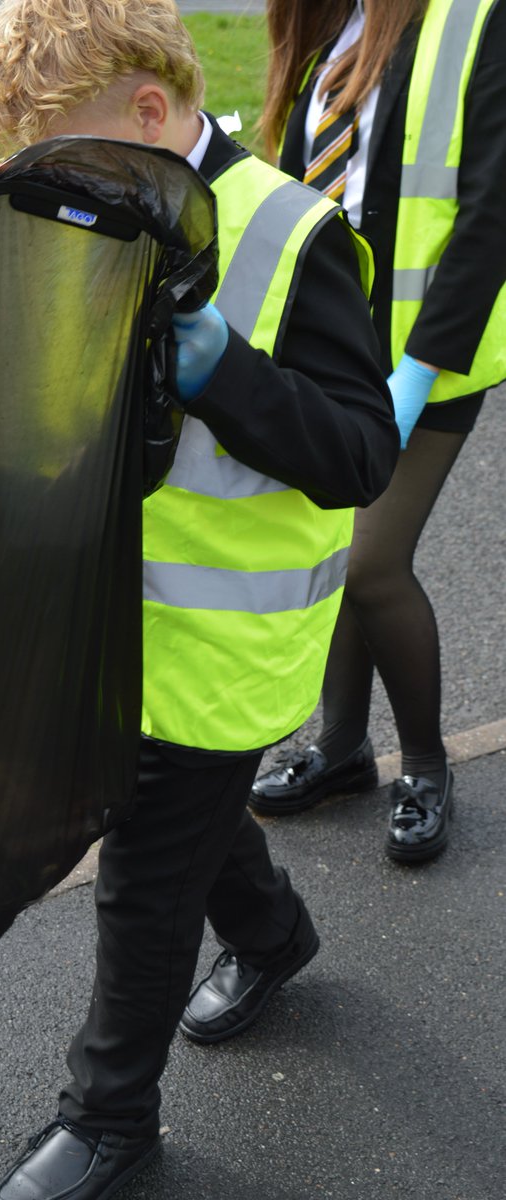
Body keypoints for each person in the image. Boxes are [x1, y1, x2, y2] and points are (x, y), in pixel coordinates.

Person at [0, 2, 399, 1197]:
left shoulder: (292, 237)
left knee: (144, 872)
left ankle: (109, 1121)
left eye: (69, 162)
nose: (55, 195)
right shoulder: (108, 206)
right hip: (117, 618)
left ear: (150, 114)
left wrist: (223, 373)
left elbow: (363, 454)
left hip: (222, 640)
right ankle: (273, 933)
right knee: (177, 828)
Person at [250, 0, 506, 864]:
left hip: (426, 355)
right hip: (335, 350)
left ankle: (427, 765)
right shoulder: (330, 23)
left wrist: (418, 370)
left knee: (370, 561)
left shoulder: (479, 17)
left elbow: (490, 212)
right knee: (330, 551)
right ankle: (343, 748)